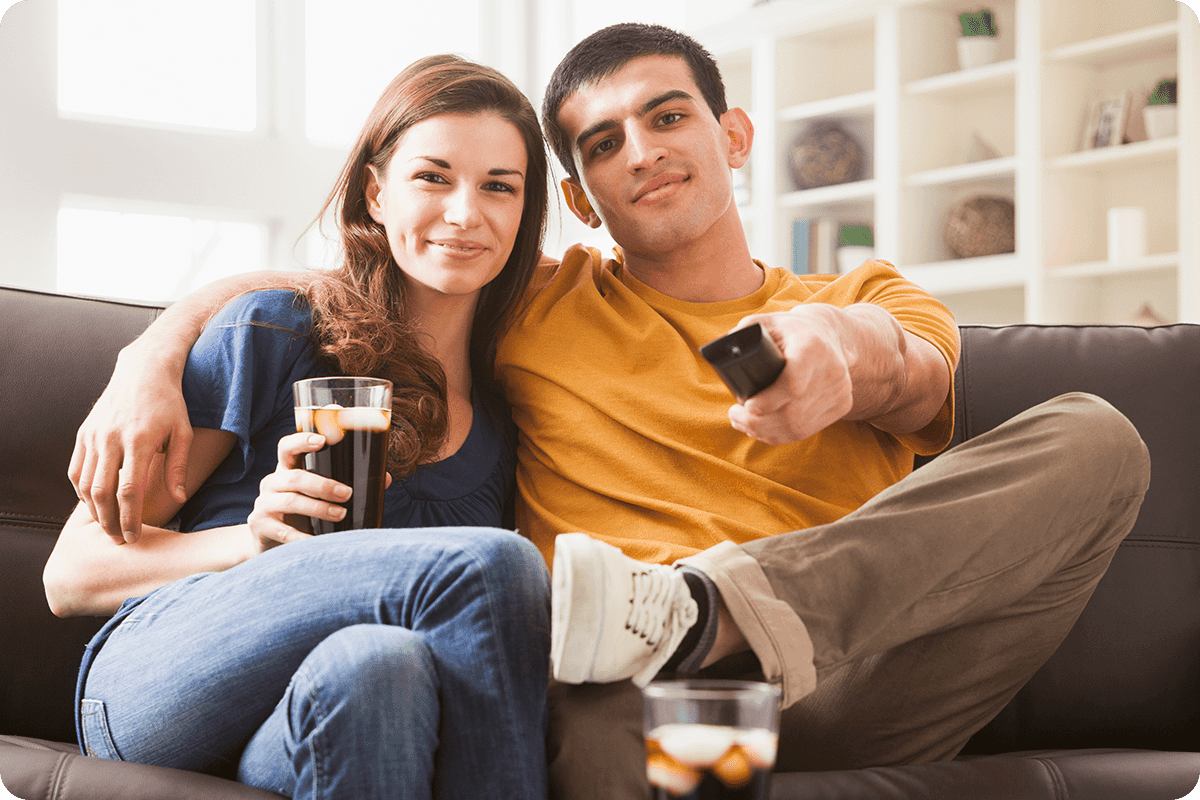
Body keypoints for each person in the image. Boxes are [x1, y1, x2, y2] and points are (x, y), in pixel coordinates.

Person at [67, 24, 1150, 800]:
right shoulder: (538, 301)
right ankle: (678, 629)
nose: (641, 150)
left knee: (1098, 438)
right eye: (600, 143)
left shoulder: (862, 298)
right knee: (493, 647)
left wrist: (849, 355)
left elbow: (914, 373)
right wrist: (151, 348)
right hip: (623, 687)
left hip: (852, 671)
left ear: (733, 135)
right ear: (579, 197)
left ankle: (710, 607)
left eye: (668, 116)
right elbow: (359, 270)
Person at [43, 54, 553, 800]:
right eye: (433, 177)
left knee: (380, 666)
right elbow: (70, 573)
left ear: (524, 212)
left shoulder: (507, 424)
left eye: (498, 187)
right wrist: (254, 542)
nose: (465, 212)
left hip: (305, 725)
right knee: (491, 565)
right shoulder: (276, 331)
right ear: (376, 194)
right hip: (160, 683)